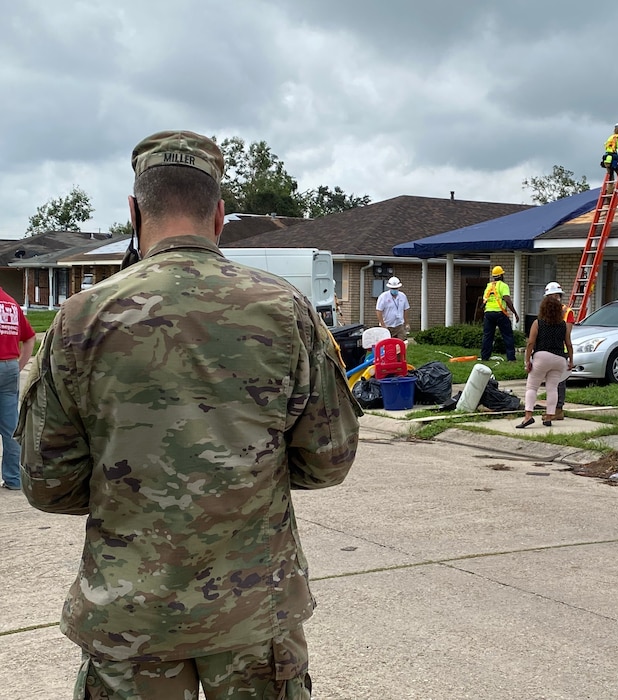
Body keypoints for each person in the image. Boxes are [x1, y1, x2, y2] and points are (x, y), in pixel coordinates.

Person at [16, 130, 362, 699]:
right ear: (220, 214)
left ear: (134, 211)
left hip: (130, 615)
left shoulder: (80, 319)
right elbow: (329, 459)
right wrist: (245, 480)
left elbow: (47, 483)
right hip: (254, 612)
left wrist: (133, 488)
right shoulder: (285, 310)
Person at [516, 290, 573, 429]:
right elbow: (569, 344)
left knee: (532, 387)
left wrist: (527, 360)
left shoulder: (538, 323)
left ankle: (528, 416)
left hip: (542, 356)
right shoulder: (563, 325)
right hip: (559, 359)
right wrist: (571, 360)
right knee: (552, 388)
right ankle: (549, 417)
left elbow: (530, 343)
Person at [0, 287, 36, 491]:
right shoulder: (10, 303)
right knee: (10, 427)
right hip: (9, 366)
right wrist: (19, 365)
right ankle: (14, 478)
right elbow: (30, 337)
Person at [543, 282, 575, 420]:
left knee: (559, 382)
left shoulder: (567, 312)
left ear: (557, 296)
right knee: (550, 382)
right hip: (547, 349)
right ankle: (551, 409)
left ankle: (558, 409)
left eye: (551, 296)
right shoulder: (545, 311)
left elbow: (566, 335)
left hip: (560, 350)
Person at [480, 265, 519, 361]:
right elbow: (507, 300)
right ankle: (511, 358)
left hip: (488, 313)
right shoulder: (503, 286)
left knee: (487, 336)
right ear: (501, 275)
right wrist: (515, 313)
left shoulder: (489, 286)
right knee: (507, 335)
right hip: (500, 313)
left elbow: (484, 301)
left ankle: (485, 357)